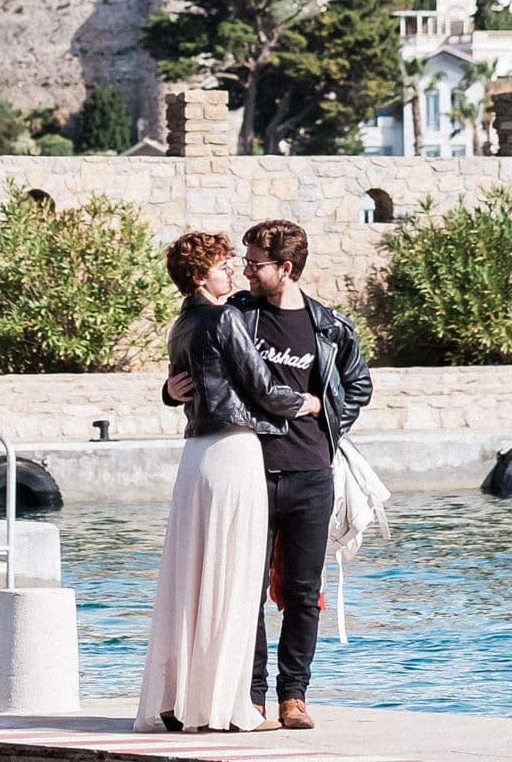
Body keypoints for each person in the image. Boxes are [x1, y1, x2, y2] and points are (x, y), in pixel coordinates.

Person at [164, 218, 373, 731]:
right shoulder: (236, 314)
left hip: (310, 473)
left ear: (286, 268)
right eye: (245, 262)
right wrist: (169, 392)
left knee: (303, 594)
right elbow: (198, 370)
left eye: (256, 264)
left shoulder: (330, 327)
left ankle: (293, 696)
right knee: (245, 591)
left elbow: (358, 387)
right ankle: (251, 698)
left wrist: (328, 427)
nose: (246, 271)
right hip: (249, 470)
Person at [134, 230, 323, 735]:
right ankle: (229, 706)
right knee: (234, 582)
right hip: (233, 451)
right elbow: (261, 386)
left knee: (192, 578)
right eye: (222, 264)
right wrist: (306, 404)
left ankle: (182, 700)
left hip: (195, 456)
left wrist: (170, 395)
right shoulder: (225, 317)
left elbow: (186, 381)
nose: (232, 270)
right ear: (201, 275)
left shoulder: (181, 323)